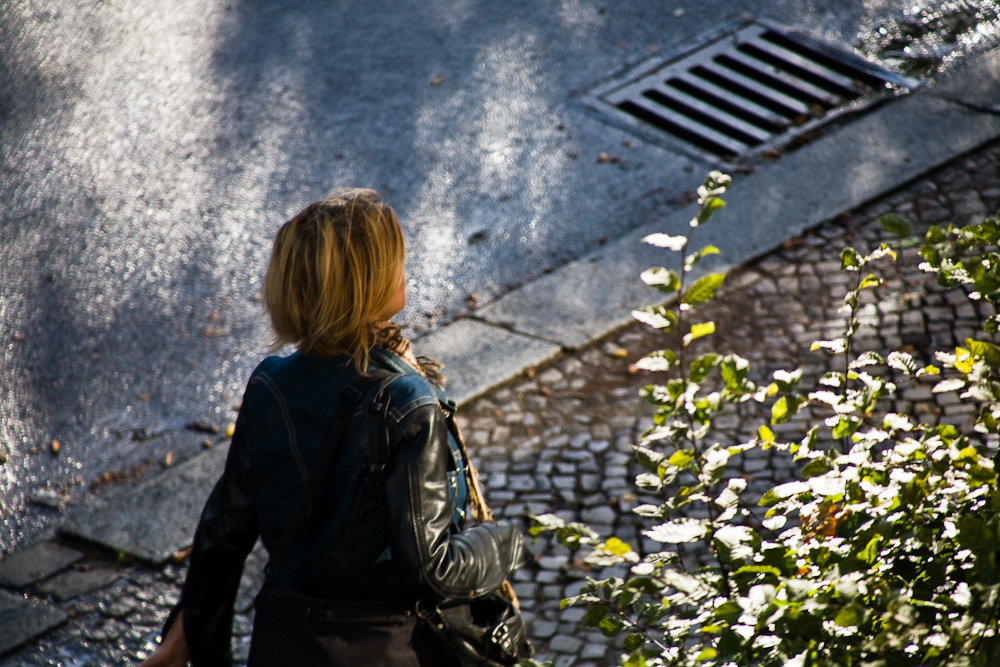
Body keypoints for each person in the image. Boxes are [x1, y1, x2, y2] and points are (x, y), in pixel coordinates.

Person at [141, 189, 527, 667]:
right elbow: (434, 570)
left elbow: (223, 535)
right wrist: (505, 541)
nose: (403, 266)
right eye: (393, 258)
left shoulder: (270, 385)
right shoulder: (407, 402)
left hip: (288, 644)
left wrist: (199, 648)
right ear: (364, 281)